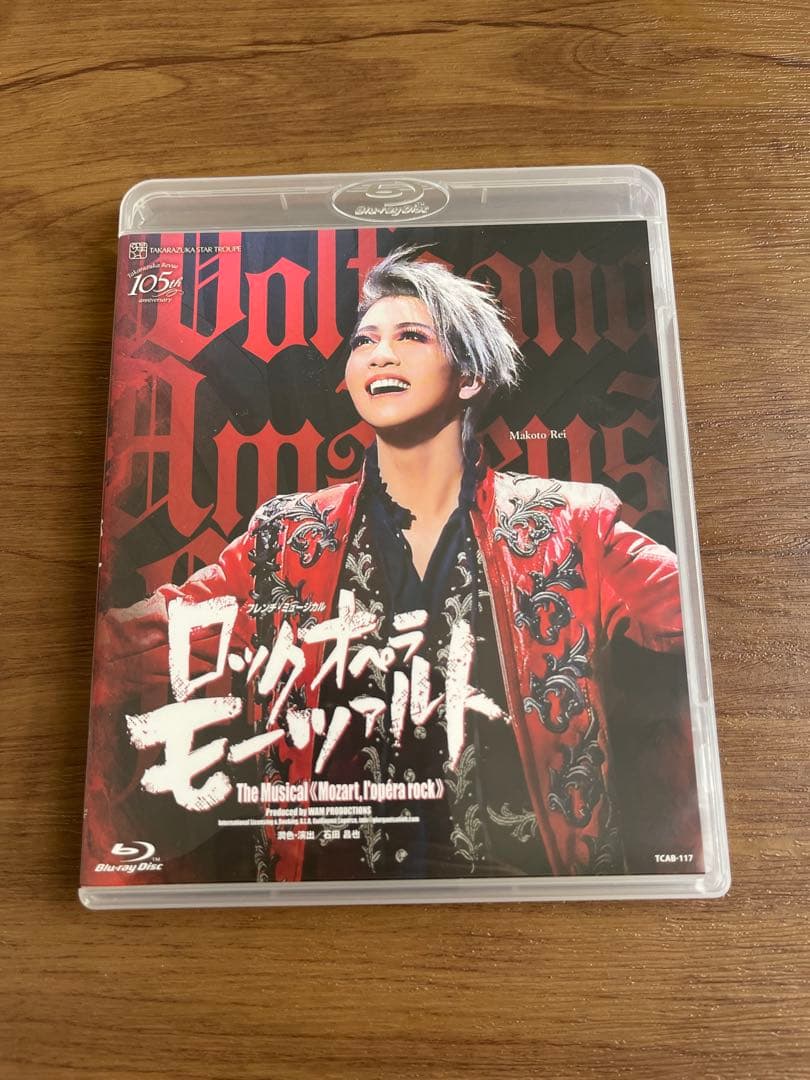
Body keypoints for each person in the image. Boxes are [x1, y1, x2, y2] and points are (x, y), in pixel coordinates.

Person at [90, 248, 694, 883]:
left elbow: (700, 624)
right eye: (364, 341)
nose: (380, 354)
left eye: (411, 336)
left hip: (526, 893)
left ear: (470, 377)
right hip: (326, 898)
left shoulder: (571, 524)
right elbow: (137, 644)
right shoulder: (286, 535)